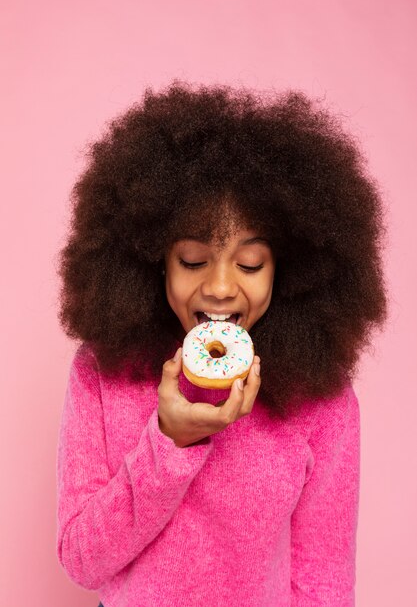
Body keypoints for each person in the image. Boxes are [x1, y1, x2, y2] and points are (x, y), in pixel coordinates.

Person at [55, 80, 388, 606]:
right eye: (192, 260)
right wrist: (170, 441)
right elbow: (82, 560)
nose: (220, 286)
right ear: (155, 261)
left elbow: (324, 580)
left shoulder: (322, 398)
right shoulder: (103, 371)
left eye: (250, 264)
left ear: (286, 268)